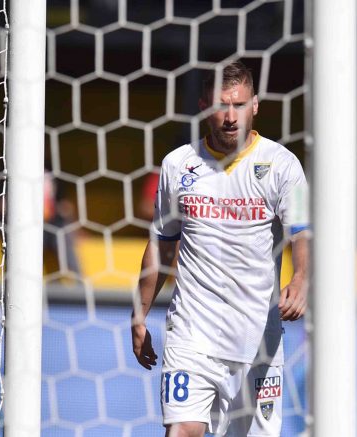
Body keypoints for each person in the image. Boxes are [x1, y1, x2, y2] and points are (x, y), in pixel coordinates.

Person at [131, 61, 309, 437]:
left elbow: (302, 232)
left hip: (257, 339)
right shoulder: (178, 165)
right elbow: (162, 244)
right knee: (182, 430)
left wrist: (301, 278)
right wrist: (139, 314)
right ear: (203, 106)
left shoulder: (283, 165)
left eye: (239, 105)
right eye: (221, 105)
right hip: (191, 333)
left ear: (255, 105)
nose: (230, 117)